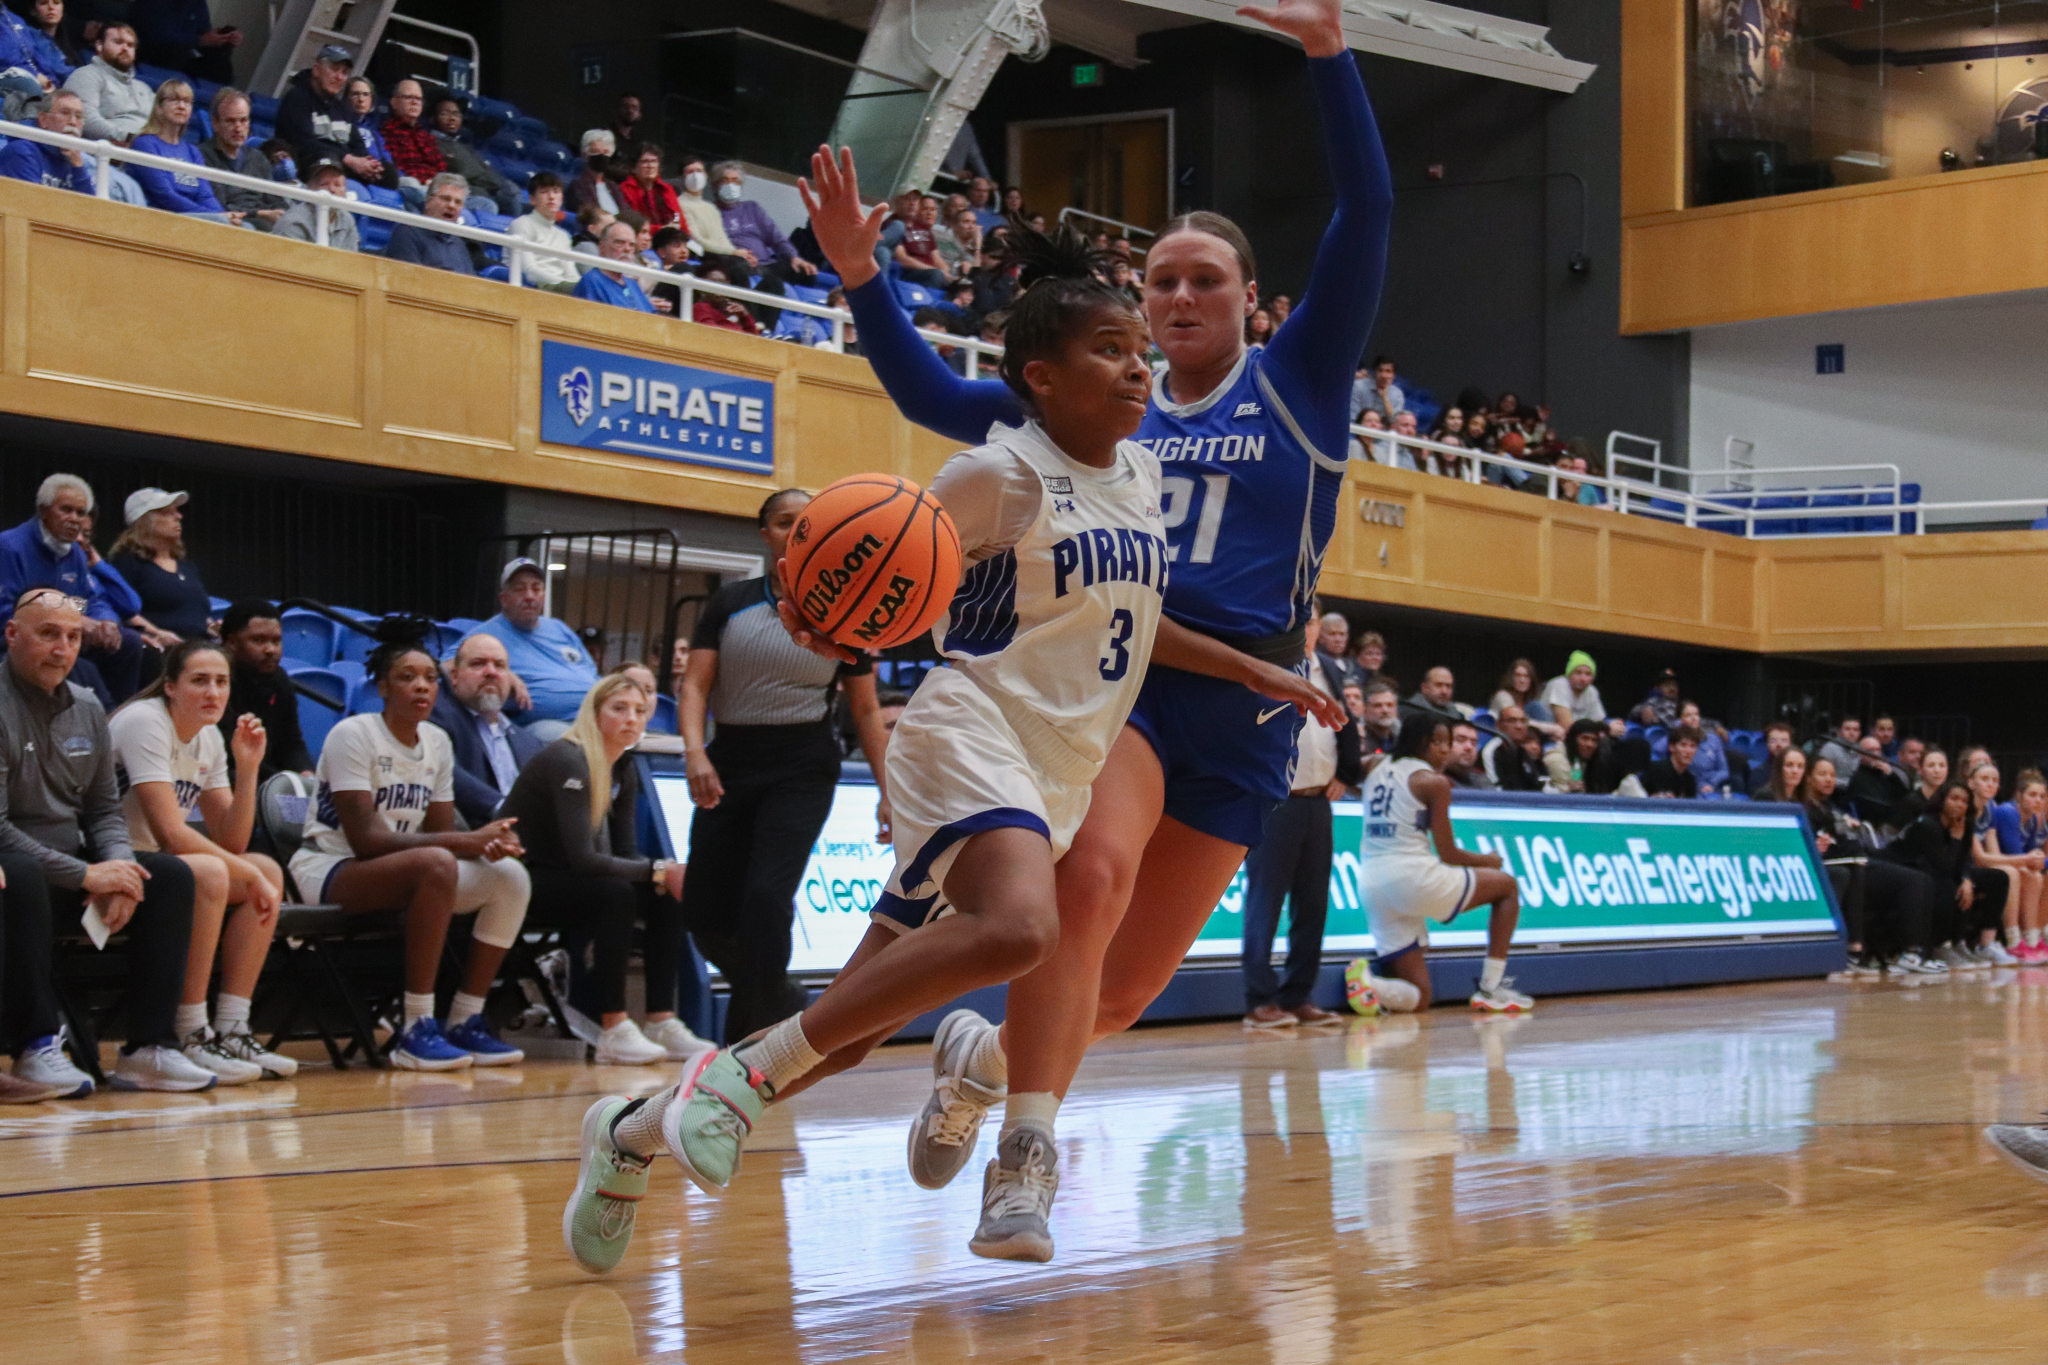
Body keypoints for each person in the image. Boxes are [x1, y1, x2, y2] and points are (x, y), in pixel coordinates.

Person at [768, 0, 1381, 1263]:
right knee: (1087, 878)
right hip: (1121, 679)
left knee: (1122, 992)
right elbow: (933, 392)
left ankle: (981, 1057)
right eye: (1157, 280)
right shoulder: (1100, 403)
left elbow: (1366, 216)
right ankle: (1024, 1162)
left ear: (1250, 301)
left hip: (1247, 704)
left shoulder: (1298, 381)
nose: (1175, 297)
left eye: (1202, 278)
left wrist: (1328, 52)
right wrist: (860, 275)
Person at [565, 222, 1186, 1275]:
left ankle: (626, 1131)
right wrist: (823, 616)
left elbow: (1128, 621)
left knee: (854, 1025)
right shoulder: (998, 474)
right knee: (1022, 927)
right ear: (1040, 377)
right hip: (969, 731)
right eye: (1112, 349)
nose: (1139, 366)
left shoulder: (1136, 475)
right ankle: (740, 1079)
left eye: (1141, 351)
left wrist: (1256, 667)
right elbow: (868, 584)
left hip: (1056, 771)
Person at [669, 489, 891, 1043]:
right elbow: (694, 686)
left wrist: (891, 792)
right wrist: (694, 751)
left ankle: (742, 1053)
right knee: (703, 911)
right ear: (765, 534)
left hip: (803, 767)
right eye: (783, 521)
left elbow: (864, 708)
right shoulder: (728, 603)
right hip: (730, 761)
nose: (794, 529)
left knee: (768, 900)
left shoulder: (846, 608)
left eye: (804, 521)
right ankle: (785, 1001)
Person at [287, 639, 532, 1069]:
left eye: (430, 679)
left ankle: (466, 1018)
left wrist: (486, 847)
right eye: (407, 677)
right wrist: (466, 840)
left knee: (511, 878)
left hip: (406, 872)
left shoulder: (436, 741)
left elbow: (439, 834)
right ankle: (415, 1025)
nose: (422, 686)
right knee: (437, 862)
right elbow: (367, 842)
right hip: (328, 867)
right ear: (382, 687)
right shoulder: (353, 734)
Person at [0, 588, 204, 1091]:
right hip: (14, 880)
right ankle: (35, 1047)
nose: (62, 648)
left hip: (72, 874)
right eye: (49, 634)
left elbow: (102, 811)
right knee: (20, 873)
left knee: (171, 876)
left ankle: (150, 1047)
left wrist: (118, 870)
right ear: (12, 635)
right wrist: (87, 874)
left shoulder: (89, 706)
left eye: (72, 637)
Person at [109, 638, 298, 1082]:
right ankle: (190, 1030)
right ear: (170, 687)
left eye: (221, 682)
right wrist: (248, 873)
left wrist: (247, 767)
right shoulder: (144, 721)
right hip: (109, 861)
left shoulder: (209, 736)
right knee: (215, 873)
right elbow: (172, 837)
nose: (213, 692)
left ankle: (232, 1027)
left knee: (264, 868)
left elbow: (232, 840)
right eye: (199, 681)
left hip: (159, 868)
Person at [502, 671, 708, 1067]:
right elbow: (583, 859)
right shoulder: (568, 758)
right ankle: (613, 1026)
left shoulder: (623, 769)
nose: (631, 718)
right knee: (619, 892)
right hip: (525, 878)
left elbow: (626, 852)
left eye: (639, 710)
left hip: (573, 880)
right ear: (594, 714)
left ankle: (661, 1020)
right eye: (619, 709)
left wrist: (661, 876)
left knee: (663, 893)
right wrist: (661, 869)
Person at [1353, 712, 1531, 1016]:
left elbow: (1347, 769)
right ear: (1423, 743)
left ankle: (1371, 985)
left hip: (1371, 884)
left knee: (1420, 997)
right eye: (1441, 742)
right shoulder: (1432, 782)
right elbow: (1447, 853)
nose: (1446, 749)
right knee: (1507, 888)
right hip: (1411, 875)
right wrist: (1488, 861)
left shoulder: (1374, 764)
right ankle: (1490, 988)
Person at [1239, 612, 1359, 1028]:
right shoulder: (1269, 663)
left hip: (1316, 802)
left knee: (1313, 905)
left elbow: (1346, 724)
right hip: (1275, 801)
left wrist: (1347, 772)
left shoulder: (1328, 669)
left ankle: (1297, 996)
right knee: (1265, 902)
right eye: (1306, 620)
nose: (1312, 629)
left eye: (1316, 622)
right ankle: (1259, 1000)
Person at [0, 473, 144, 706]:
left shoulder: (75, 553)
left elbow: (95, 599)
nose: (74, 519)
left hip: (67, 638)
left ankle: (120, 718)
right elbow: (5, 611)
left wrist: (105, 620)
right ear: (44, 511)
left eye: (81, 513)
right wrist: (75, 621)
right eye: (66, 510)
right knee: (75, 662)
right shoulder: (9, 546)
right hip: (21, 642)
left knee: (129, 644)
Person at [431, 632, 543, 829]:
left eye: (499, 665)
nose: (491, 672)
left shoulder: (529, 742)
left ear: (510, 679)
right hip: (475, 839)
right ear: (454, 677)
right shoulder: (436, 717)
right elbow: (442, 770)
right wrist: (502, 808)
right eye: (478, 663)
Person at [478, 558, 599, 722]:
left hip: (595, 719)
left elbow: (591, 673)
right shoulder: (485, 634)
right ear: (504, 598)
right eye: (520, 589)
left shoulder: (559, 628)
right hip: (546, 726)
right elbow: (448, 667)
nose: (529, 596)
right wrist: (504, 674)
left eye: (536, 589)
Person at [127, 75, 244, 225]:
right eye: (174, 100)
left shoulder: (192, 151)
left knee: (245, 227)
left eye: (187, 101)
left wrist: (225, 214)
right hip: (158, 217)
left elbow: (205, 196)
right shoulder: (144, 144)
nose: (181, 106)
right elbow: (164, 196)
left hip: (193, 218)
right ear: (159, 107)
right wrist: (218, 217)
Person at [217, 600, 312, 779]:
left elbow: (291, 743)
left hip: (267, 780)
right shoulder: (213, 680)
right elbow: (225, 752)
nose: (270, 650)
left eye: (276, 641)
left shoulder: (279, 679)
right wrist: (281, 781)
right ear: (231, 643)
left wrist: (305, 774)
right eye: (258, 640)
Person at [275, 44, 387, 188]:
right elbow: (304, 143)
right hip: (311, 167)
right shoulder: (297, 98)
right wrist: (348, 159)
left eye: (345, 73)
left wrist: (368, 163)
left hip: (343, 166)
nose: (340, 77)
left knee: (388, 173)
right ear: (316, 70)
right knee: (327, 160)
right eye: (334, 69)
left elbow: (357, 144)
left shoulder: (343, 108)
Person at [105, 487, 208, 642]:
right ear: (145, 520)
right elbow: (119, 608)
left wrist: (209, 625)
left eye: (177, 511)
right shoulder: (129, 563)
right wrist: (155, 633)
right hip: (155, 649)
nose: (178, 516)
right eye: (167, 512)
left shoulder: (188, 567)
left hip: (196, 648)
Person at [1966, 759, 2030, 966]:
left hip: (1974, 865)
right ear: (1971, 783)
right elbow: (1979, 857)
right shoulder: (1966, 808)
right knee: (2007, 874)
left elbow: (1993, 852)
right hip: (1959, 865)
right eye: (1984, 779)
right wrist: (2024, 859)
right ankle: (2012, 940)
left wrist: (2018, 863)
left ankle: (1993, 943)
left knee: (2009, 872)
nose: (1990, 784)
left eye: (1995, 780)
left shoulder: (1989, 810)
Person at [198, 88, 285, 229]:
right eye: (230, 121)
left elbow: (276, 201)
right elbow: (221, 205)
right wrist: (260, 213)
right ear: (215, 123)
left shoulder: (257, 157)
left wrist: (280, 213)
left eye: (243, 120)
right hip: (232, 225)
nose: (238, 128)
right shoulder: (202, 155)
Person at [1986, 767, 2048, 962]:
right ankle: (2014, 940)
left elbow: (2031, 857)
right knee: (2031, 875)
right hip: (1996, 863)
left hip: (2013, 864)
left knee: (2035, 874)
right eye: (2032, 795)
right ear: (2019, 795)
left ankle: (2032, 939)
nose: (2038, 800)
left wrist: (2039, 861)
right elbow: (2019, 855)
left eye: (2042, 796)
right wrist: (2038, 861)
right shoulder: (2008, 812)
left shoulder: (2030, 819)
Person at [431, 96, 520, 216]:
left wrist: (496, 184)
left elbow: (486, 172)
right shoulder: (431, 142)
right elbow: (462, 170)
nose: (452, 118)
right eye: (446, 114)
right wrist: (494, 183)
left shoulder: (465, 146)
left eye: (456, 115)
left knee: (514, 194)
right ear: (433, 118)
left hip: (487, 192)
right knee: (492, 203)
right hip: (462, 195)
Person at [61, 20, 146, 143]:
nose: (125, 48)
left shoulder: (145, 89)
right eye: (118, 42)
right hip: (104, 153)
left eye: (130, 45)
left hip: (147, 153)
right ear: (99, 45)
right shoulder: (86, 75)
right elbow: (86, 120)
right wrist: (130, 139)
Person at [0, 86, 90, 191]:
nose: (73, 122)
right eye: (65, 113)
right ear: (43, 119)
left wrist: (78, 167)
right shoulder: (22, 152)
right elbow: (28, 205)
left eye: (78, 116)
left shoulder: (75, 160)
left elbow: (91, 207)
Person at [384, 172, 475, 274]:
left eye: (458, 202)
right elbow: (409, 280)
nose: (452, 206)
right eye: (445, 199)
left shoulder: (459, 244)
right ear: (428, 201)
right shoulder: (407, 233)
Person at [133, 0, 238, 84]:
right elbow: (158, 36)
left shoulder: (197, 3)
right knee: (173, 51)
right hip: (152, 52)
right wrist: (199, 40)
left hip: (183, 56)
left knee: (221, 65)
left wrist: (224, 38)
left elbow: (204, 32)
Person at [378, 78, 446, 204]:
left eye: (418, 99)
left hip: (433, 187)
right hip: (410, 184)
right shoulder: (387, 132)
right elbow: (397, 167)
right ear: (394, 103)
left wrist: (436, 183)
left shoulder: (427, 137)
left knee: (485, 203)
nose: (414, 102)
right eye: (409, 97)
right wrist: (426, 181)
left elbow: (440, 168)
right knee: (411, 185)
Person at [511, 171, 578, 292]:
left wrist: (579, 287)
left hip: (561, 287)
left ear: (561, 199)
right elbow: (529, 270)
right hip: (537, 287)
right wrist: (562, 283)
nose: (551, 197)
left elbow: (571, 273)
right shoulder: (522, 224)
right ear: (532, 199)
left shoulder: (563, 236)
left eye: (556, 191)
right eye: (544, 192)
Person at [272, 155, 357, 249]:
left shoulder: (347, 219)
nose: (332, 190)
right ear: (310, 189)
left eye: (337, 185)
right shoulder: (294, 221)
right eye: (324, 185)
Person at [573, 219, 656, 312]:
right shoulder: (591, 282)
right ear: (601, 247)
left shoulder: (633, 284)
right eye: (619, 243)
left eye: (632, 245)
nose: (627, 249)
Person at [1488, 657, 1561, 743]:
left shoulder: (1529, 702)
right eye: (1518, 676)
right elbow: (1514, 720)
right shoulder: (1502, 696)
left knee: (1534, 706)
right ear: (1510, 678)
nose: (1522, 680)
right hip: (1503, 738)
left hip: (1526, 738)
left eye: (1526, 676)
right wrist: (1552, 728)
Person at [616, 141, 680, 229]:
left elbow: (678, 218)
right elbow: (630, 224)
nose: (650, 166)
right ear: (634, 168)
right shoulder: (625, 189)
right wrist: (661, 229)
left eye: (654, 161)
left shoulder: (666, 189)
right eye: (644, 162)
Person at [1482, 705, 1546, 791]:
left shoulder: (1523, 751)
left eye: (1523, 721)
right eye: (1512, 721)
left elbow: (1536, 784)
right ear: (1498, 725)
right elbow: (1496, 788)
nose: (1519, 726)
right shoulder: (1491, 751)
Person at [1541, 650, 1605, 723]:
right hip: (1549, 732)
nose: (1583, 679)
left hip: (1581, 732)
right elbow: (1566, 726)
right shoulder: (1559, 685)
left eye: (1588, 674)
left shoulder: (1592, 691)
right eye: (1578, 673)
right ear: (1569, 675)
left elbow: (1599, 721)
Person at [1641, 725, 1701, 798]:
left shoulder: (1690, 780)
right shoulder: (1656, 769)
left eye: (1692, 746)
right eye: (1683, 745)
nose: (1688, 751)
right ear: (1672, 747)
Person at [568, 130, 620, 215]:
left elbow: (625, 211)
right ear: (585, 154)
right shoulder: (578, 185)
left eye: (605, 152)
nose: (601, 155)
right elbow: (588, 213)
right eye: (595, 151)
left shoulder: (613, 186)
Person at [1443, 719, 1493, 790]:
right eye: (1460, 740)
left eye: (1473, 743)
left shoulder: (1483, 780)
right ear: (1445, 744)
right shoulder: (1433, 780)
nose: (1469, 747)